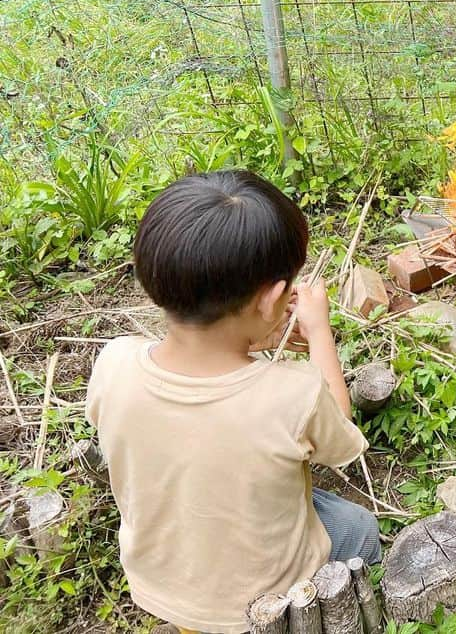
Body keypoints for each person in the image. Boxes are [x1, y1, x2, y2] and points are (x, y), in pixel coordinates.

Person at [86, 171, 380, 634]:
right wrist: (320, 334)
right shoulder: (293, 394)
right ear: (272, 300)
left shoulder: (113, 362)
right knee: (357, 525)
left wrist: (250, 341)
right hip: (262, 607)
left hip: (161, 587)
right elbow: (341, 433)